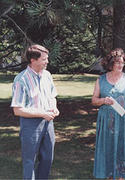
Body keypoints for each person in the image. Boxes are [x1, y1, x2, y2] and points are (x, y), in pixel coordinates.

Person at [11, 44, 59, 179]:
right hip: (30, 126)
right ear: (33, 60)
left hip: (48, 123)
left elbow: (52, 96)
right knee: (29, 161)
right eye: (44, 59)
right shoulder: (21, 80)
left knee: (47, 159)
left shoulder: (47, 75)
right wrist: (42, 113)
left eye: (47, 58)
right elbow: (17, 110)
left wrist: (54, 107)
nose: (47, 62)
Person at [92, 48, 125, 179]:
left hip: (123, 120)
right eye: (117, 62)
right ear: (111, 63)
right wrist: (103, 100)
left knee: (121, 150)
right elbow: (94, 100)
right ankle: (108, 175)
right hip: (106, 121)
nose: (120, 65)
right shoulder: (100, 80)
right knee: (107, 149)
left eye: (122, 63)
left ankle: (120, 177)